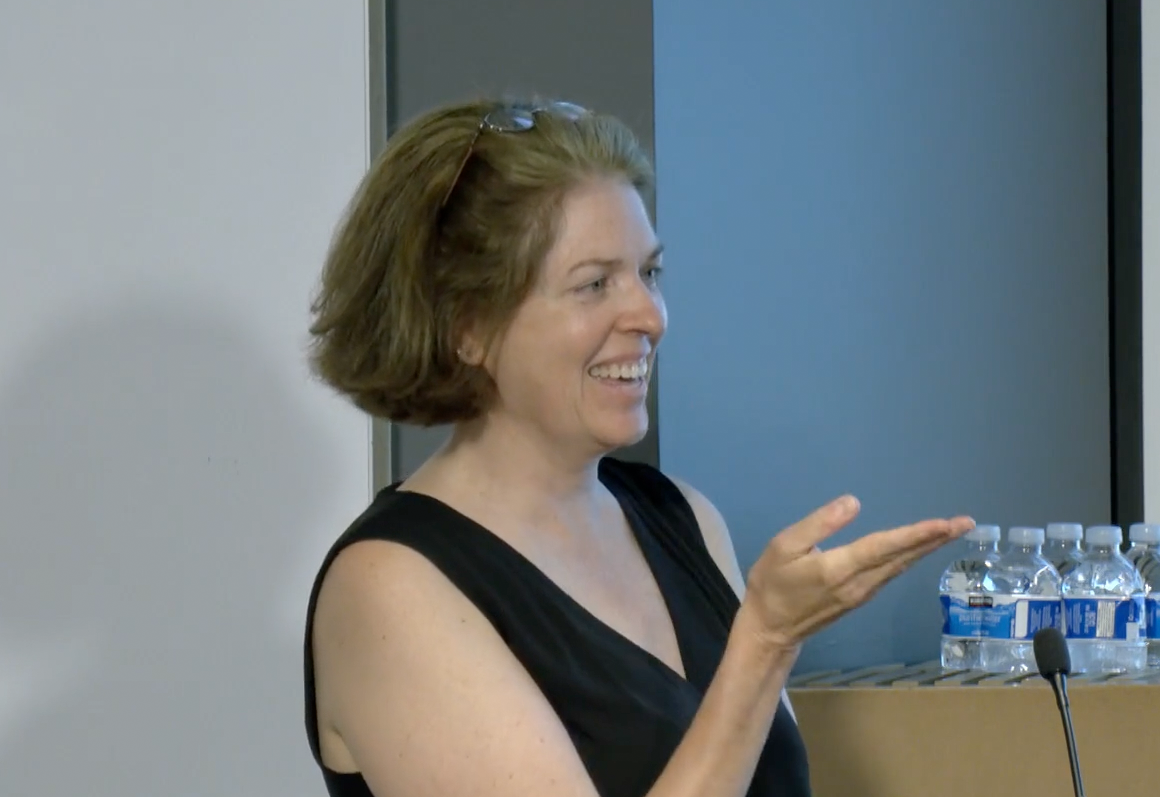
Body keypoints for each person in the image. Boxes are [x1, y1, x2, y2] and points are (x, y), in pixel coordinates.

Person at [302, 96, 974, 797]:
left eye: (649, 273)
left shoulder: (682, 517)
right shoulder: (389, 587)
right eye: (594, 284)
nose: (649, 316)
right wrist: (764, 644)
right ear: (466, 327)